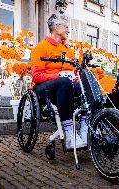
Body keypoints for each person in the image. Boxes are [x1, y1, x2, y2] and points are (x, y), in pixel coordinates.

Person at [31, 14, 87, 149]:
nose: (68, 30)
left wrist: (77, 77)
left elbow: (76, 71)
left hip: (65, 86)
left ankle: (85, 129)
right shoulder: (41, 47)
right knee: (64, 82)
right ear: (56, 27)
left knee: (85, 85)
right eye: (66, 27)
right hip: (44, 87)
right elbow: (36, 76)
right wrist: (58, 75)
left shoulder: (67, 49)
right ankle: (69, 133)